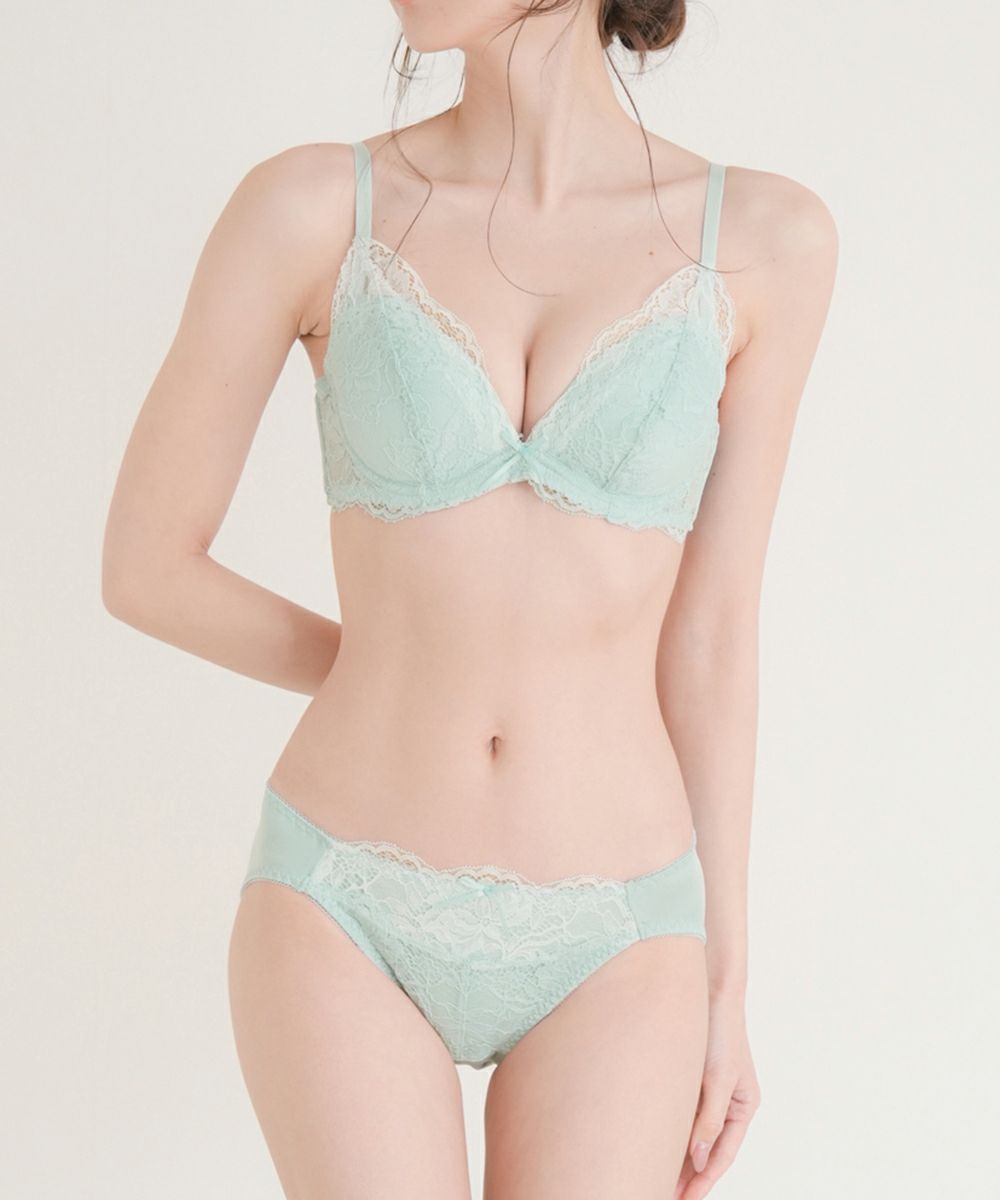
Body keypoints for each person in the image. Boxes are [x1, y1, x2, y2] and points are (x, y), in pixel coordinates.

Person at [101, 1, 837, 1196]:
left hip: (619, 930)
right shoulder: (310, 208)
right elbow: (146, 567)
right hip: (343, 896)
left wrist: (725, 984)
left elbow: (709, 637)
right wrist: (388, 664)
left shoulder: (765, 240)